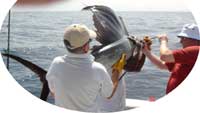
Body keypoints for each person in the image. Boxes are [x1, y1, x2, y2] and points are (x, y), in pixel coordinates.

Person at [46, 24, 121, 112]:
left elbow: (53, 92)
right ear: (85, 47)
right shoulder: (98, 69)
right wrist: (117, 71)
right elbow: (108, 94)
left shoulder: (56, 63)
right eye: (89, 42)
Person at [142, 23, 200, 94]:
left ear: (195, 39)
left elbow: (164, 56)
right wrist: (146, 51)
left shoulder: (196, 50)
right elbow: (162, 65)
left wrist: (163, 41)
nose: (181, 41)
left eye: (184, 38)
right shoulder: (188, 55)